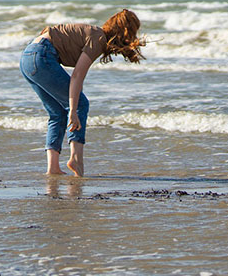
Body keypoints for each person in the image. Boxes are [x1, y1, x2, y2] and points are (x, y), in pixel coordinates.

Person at [19, 9, 145, 176]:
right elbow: (77, 75)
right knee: (80, 104)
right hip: (41, 55)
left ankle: (53, 168)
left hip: (27, 57)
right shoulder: (98, 38)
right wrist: (73, 109)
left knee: (57, 113)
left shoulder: (95, 34)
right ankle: (76, 160)